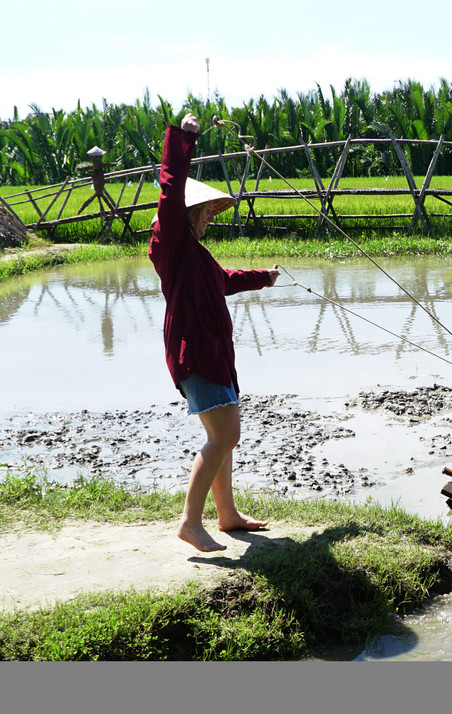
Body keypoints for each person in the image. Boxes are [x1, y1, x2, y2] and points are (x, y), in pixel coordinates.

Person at [149, 113, 280, 552]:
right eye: (204, 213)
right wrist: (185, 137)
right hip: (196, 354)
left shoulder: (198, 256)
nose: (208, 219)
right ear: (186, 214)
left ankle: (226, 515)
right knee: (223, 436)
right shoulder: (172, 246)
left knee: (226, 434)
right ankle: (190, 522)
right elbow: (171, 186)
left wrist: (263, 276)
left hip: (213, 354)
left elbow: (224, 281)